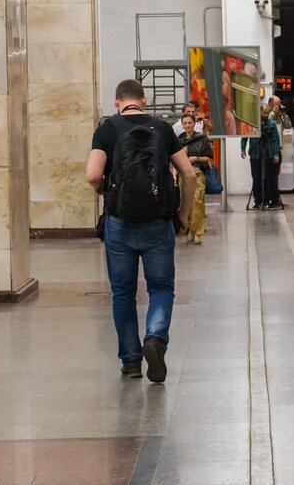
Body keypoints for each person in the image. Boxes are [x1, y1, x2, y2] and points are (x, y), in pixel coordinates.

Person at [86, 79, 196, 383]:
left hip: (120, 223)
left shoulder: (107, 129)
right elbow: (188, 174)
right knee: (160, 287)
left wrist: (102, 189)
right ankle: (155, 338)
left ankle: (131, 362)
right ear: (144, 101)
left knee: (122, 293)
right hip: (158, 222)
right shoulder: (162, 128)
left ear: (116, 102)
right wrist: (184, 215)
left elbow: (93, 174)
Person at [178, 113, 213, 244]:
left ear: (194, 124)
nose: (187, 125)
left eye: (190, 123)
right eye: (185, 123)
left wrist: (196, 158)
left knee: (197, 201)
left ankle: (198, 232)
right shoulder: (179, 139)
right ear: (182, 125)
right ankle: (189, 229)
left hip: (198, 174)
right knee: (186, 203)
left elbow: (208, 157)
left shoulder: (202, 139)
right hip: (184, 176)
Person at [241, 103, 281, 209]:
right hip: (255, 154)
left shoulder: (272, 124)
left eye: (267, 113)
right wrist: (243, 149)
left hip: (268, 155)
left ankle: (266, 200)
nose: (266, 115)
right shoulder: (252, 124)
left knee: (268, 178)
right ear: (259, 112)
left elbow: (276, 140)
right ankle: (257, 201)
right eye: (264, 113)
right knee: (256, 178)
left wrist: (276, 154)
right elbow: (244, 136)